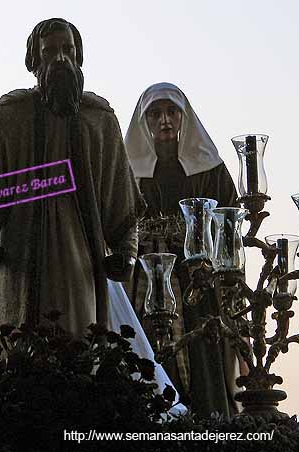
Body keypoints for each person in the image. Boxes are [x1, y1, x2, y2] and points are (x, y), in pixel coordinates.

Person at [0, 18, 146, 346]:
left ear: (79, 57)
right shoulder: (7, 117)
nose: (60, 59)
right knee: (19, 354)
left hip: (81, 264)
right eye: (49, 52)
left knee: (81, 348)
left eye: (68, 50)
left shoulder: (99, 120)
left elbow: (123, 202)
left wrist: (125, 254)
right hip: (21, 262)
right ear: (34, 62)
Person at [124, 82, 240, 417]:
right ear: (144, 121)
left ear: (183, 117)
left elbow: (230, 218)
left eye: (172, 112)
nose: (165, 121)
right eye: (155, 113)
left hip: (196, 279)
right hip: (142, 276)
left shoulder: (209, 167)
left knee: (203, 348)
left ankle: (209, 421)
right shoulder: (127, 171)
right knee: (144, 349)